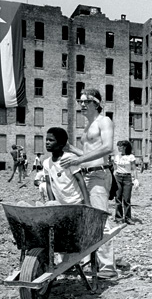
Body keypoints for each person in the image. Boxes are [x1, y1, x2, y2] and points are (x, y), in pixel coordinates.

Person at [60, 88, 117, 279]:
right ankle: (87, 260)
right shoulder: (87, 126)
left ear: (97, 103)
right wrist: (71, 150)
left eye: (86, 101)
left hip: (99, 175)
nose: (82, 105)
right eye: (80, 101)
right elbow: (87, 153)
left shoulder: (104, 121)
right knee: (85, 218)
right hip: (85, 174)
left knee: (101, 218)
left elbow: (107, 148)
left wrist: (78, 159)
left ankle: (108, 267)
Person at [43, 127, 91, 206]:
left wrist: (87, 203)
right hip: (61, 204)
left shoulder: (69, 159)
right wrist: (51, 203)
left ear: (61, 143)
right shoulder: (46, 163)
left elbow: (80, 180)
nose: (47, 142)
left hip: (76, 202)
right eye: (46, 140)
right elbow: (48, 184)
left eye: (51, 140)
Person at [113, 140, 139, 225]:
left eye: (120, 146)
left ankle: (128, 218)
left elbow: (134, 168)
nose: (119, 148)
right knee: (118, 198)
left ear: (125, 147)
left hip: (127, 177)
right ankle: (118, 218)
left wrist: (136, 179)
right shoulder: (116, 156)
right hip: (118, 177)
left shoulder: (131, 156)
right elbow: (115, 168)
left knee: (127, 199)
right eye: (118, 146)